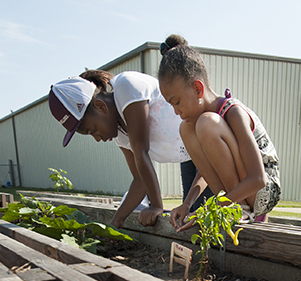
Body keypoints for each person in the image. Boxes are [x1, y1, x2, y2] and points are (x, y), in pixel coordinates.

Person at [47, 70, 208, 229]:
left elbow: (141, 152)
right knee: (191, 216)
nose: (97, 138)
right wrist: (116, 222)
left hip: (211, 145)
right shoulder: (121, 136)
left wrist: (156, 205)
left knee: (209, 215)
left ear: (100, 106)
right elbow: (139, 180)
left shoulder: (127, 88)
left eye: (93, 130)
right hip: (192, 155)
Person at [157, 35, 280, 230]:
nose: (176, 111)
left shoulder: (232, 113)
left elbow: (258, 178)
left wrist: (211, 209)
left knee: (206, 123)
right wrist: (187, 204)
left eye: (177, 102)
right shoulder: (198, 125)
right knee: (186, 128)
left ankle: (238, 208)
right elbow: (205, 173)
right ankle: (232, 206)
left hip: (263, 191)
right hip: (243, 189)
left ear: (198, 89)